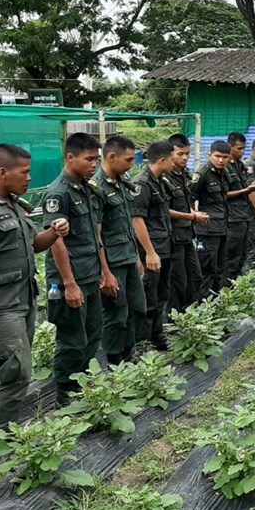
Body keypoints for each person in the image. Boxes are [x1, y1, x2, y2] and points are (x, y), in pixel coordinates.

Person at [0, 144, 68, 431]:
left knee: (5, 368)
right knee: (17, 371)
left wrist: (54, 233)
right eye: (25, 172)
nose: (29, 178)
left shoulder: (13, 205)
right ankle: (3, 437)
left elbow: (35, 245)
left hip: (24, 299)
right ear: (3, 172)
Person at [43, 132, 104, 406]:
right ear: (70, 157)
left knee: (94, 332)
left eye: (97, 159)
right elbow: (56, 241)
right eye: (89, 159)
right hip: (70, 278)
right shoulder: (58, 193)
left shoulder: (85, 188)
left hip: (88, 274)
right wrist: (69, 283)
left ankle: (82, 381)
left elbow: (92, 235)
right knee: (72, 338)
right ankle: (65, 393)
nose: (94, 164)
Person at [90, 136, 147, 366]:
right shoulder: (98, 188)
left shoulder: (120, 182)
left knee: (138, 308)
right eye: (129, 159)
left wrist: (137, 258)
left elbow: (126, 224)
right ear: (112, 157)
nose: (131, 164)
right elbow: (97, 235)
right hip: (111, 262)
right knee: (116, 315)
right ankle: (115, 361)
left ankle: (127, 351)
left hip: (127, 257)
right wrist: (105, 272)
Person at [131, 141, 175, 350]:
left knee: (161, 294)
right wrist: (149, 252)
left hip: (164, 246)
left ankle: (157, 336)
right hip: (152, 250)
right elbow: (137, 219)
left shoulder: (160, 181)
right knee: (148, 298)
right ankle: (141, 343)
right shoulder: (141, 183)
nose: (175, 163)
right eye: (173, 159)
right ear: (163, 159)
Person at [164, 134, 206, 315]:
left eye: (187, 154)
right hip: (173, 237)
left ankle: (190, 314)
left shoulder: (185, 175)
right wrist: (191, 216)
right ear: (170, 154)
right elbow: (164, 210)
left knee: (195, 277)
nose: (185, 158)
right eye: (180, 153)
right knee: (177, 281)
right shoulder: (165, 179)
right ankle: (173, 319)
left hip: (187, 235)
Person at [192, 141, 231, 299]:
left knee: (219, 268)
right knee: (206, 268)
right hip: (207, 229)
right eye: (217, 156)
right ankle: (202, 305)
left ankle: (214, 301)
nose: (221, 160)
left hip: (222, 227)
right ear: (210, 155)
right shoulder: (202, 174)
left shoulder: (224, 172)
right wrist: (194, 217)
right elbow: (190, 197)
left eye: (224, 157)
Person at [221, 133, 255, 282]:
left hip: (244, 215)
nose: (242, 152)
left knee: (242, 254)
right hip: (232, 218)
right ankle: (225, 289)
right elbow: (224, 194)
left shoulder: (241, 165)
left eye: (244, 148)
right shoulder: (224, 168)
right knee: (231, 256)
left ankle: (236, 285)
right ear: (230, 147)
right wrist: (247, 190)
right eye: (239, 148)